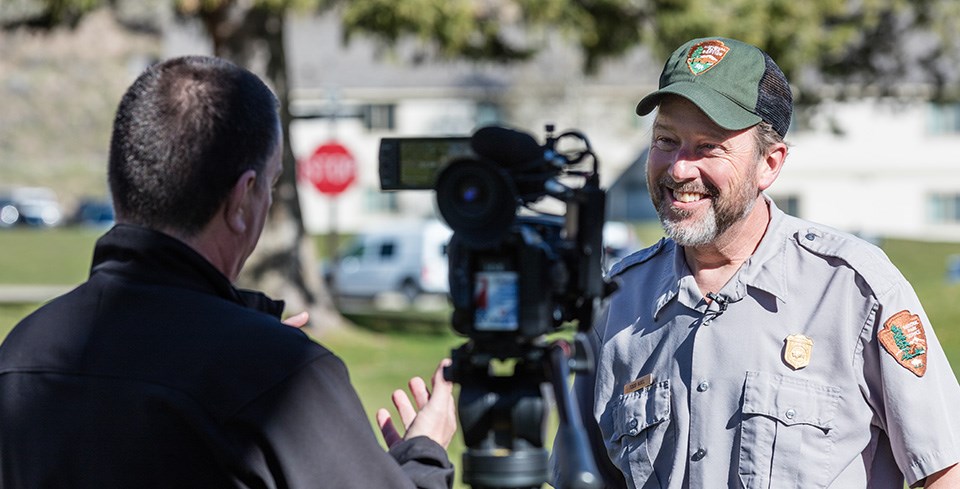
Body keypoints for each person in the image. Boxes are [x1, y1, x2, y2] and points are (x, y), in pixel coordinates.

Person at [0, 55, 457, 488]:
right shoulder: (277, 376)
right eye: (273, 184)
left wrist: (247, 331)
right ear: (243, 199)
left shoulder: (20, 355)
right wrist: (426, 454)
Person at [552, 37, 960, 488]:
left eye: (709, 147)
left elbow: (944, 471)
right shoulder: (616, 300)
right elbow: (581, 477)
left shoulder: (853, 290)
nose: (680, 169)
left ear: (770, 163)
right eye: (666, 140)